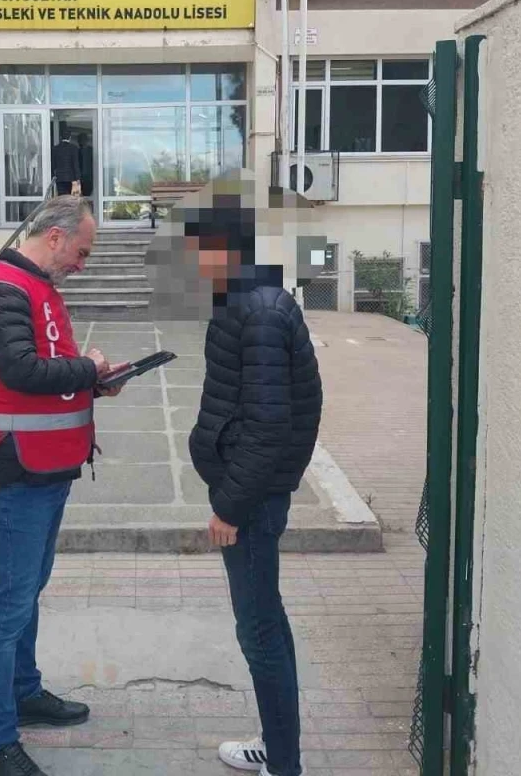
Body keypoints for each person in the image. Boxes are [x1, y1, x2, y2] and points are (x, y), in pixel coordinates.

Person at [0, 194, 121, 776]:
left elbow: (50, 370)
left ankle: (22, 692)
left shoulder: (35, 287)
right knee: (8, 606)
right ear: (55, 237)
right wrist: (89, 369)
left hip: (46, 468)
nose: (82, 263)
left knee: (25, 594)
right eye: (82, 251)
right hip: (19, 472)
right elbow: (21, 371)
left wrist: (95, 383)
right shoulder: (2, 289)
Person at [185, 205, 322, 776]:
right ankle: (277, 746)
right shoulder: (248, 301)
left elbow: (268, 427)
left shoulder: (260, 311)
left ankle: (284, 764)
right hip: (252, 493)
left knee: (260, 630)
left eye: (198, 250)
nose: (193, 263)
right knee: (266, 621)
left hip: (253, 501)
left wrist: (230, 506)